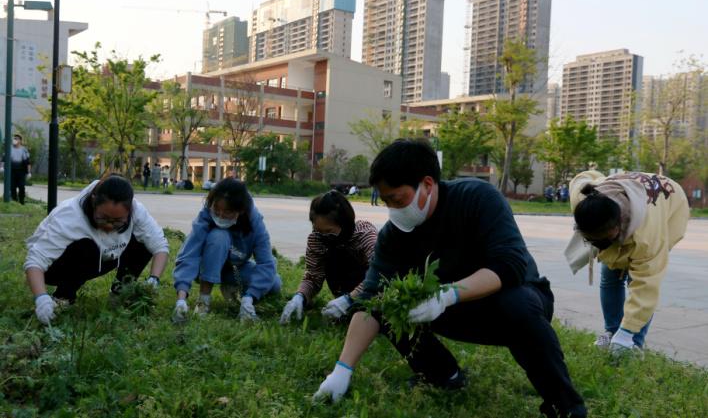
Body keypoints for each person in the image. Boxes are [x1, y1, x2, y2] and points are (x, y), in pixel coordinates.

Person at [313, 139, 586, 418]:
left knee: (517, 304)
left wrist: (449, 293)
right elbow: (371, 298)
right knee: (391, 304)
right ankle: (443, 375)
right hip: (452, 311)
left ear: (427, 184)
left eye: (398, 200)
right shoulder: (393, 237)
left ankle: (564, 405)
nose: (394, 210)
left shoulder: (477, 197)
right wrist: (342, 369)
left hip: (512, 303)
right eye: (387, 202)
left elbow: (510, 264)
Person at [566, 171, 689, 354]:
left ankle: (632, 342)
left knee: (637, 281)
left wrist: (628, 331)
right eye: (592, 241)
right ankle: (612, 331)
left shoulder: (648, 237)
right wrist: (600, 242)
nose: (599, 247)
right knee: (610, 275)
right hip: (625, 191)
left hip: (670, 202)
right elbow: (581, 178)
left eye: (603, 241)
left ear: (618, 227)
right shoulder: (583, 197)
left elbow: (646, 286)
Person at [23, 175, 169, 324]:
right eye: (103, 218)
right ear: (93, 201)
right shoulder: (70, 215)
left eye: (118, 221)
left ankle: (120, 292)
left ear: (130, 209)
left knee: (143, 242)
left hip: (104, 257)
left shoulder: (137, 210)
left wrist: (154, 279)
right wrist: (41, 298)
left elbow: (160, 246)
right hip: (56, 267)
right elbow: (35, 261)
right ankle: (63, 297)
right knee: (86, 246)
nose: (109, 225)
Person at [172, 178, 281, 322]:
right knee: (218, 236)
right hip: (204, 268)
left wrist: (250, 297)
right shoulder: (205, 215)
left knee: (274, 282)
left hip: (234, 269)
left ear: (240, 210)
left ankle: (234, 289)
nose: (220, 216)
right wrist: (181, 298)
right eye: (217, 210)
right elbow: (189, 254)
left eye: (227, 212)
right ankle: (204, 301)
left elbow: (266, 264)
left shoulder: (254, 222)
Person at [279, 191, 377, 324]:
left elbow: (379, 276)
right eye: (318, 230)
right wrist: (300, 296)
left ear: (344, 223)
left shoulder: (364, 235)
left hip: (372, 292)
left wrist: (350, 299)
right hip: (341, 292)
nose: (323, 236)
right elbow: (314, 276)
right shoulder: (316, 239)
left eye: (329, 231)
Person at [1, 134, 32, 204]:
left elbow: (28, 162)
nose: (15, 140)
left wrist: (29, 172)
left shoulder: (24, 150)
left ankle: (22, 201)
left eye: (17, 139)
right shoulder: (9, 149)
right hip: (11, 171)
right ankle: (14, 201)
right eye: (14, 138)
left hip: (21, 171)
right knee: (12, 187)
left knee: (21, 186)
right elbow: (3, 159)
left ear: (20, 141)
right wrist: (2, 167)